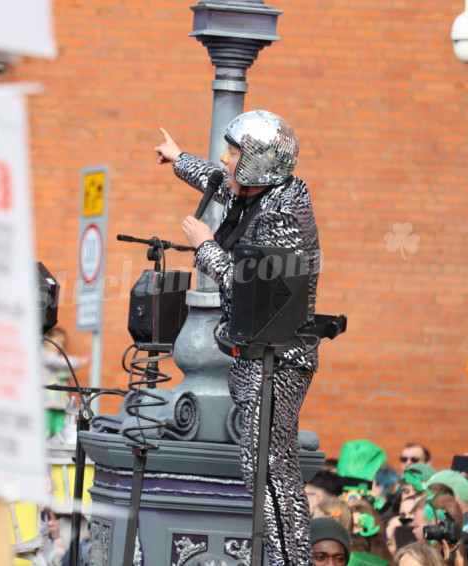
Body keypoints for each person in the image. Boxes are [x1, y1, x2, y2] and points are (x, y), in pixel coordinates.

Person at [155, 109, 320, 566]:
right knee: (260, 468)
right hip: (254, 354)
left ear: (257, 162)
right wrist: (176, 158)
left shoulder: (282, 215)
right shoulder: (256, 193)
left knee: (270, 470)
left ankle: (291, 560)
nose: (225, 160)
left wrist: (205, 245)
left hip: (278, 361)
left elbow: (250, 285)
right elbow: (215, 176)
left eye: (233, 152)